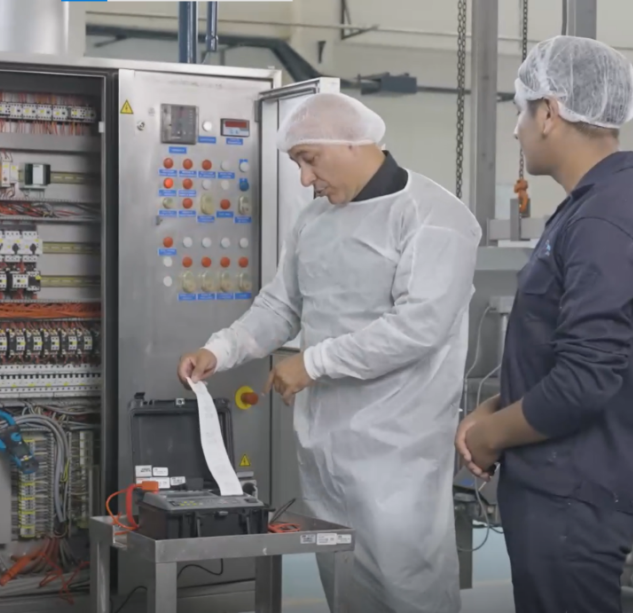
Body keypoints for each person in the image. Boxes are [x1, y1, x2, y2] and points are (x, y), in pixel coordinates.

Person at [177, 92, 481, 613]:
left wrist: (313, 363)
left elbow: (417, 327)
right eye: (297, 163)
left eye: (308, 159)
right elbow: (280, 305)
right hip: (324, 445)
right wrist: (220, 349)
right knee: (344, 583)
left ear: (352, 143)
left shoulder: (434, 218)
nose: (303, 178)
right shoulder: (314, 221)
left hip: (398, 452)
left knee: (409, 585)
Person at [455, 36, 633, 613]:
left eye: (519, 109)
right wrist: (499, 405)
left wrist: (491, 434)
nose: (515, 130)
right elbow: (571, 352)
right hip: (559, 488)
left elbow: (584, 380)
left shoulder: (606, 217)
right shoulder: (595, 205)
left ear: (550, 112)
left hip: (572, 495)